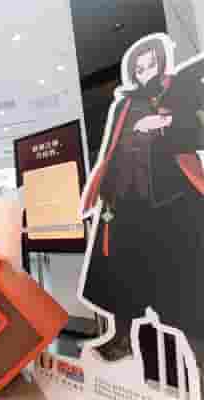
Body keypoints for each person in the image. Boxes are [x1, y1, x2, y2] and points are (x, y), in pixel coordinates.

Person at [80, 34, 204, 389]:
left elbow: (197, 132)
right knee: (122, 277)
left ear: (161, 62)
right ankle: (122, 340)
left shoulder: (179, 93)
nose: (144, 70)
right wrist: (104, 191)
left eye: (150, 64)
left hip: (172, 205)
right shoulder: (124, 103)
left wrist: (166, 124)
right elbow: (112, 147)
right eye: (139, 67)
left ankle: (200, 358)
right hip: (126, 205)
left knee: (183, 284)